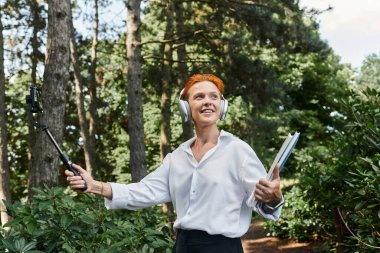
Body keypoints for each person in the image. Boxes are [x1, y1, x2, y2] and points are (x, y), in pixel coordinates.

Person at [65, 73, 284, 253]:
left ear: (222, 106)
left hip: (221, 247)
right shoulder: (177, 157)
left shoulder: (238, 151)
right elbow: (144, 191)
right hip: (182, 246)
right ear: (186, 108)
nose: (207, 101)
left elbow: (262, 199)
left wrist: (273, 198)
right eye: (199, 97)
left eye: (214, 96)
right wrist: (95, 186)